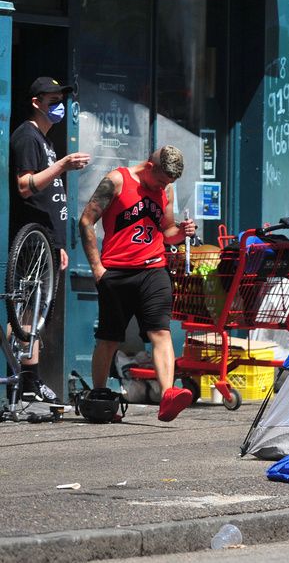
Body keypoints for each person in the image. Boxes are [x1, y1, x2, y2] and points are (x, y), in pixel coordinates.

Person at [78, 146, 196, 422]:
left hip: (153, 269)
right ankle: (101, 397)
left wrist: (182, 231)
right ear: (150, 166)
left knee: (161, 332)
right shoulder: (117, 180)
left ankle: (168, 395)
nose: (165, 187)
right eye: (162, 181)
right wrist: (98, 269)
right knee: (109, 338)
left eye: (170, 184)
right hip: (116, 271)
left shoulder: (165, 189)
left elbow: (167, 233)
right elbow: (86, 221)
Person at [9, 76, 91, 402]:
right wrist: (62, 165)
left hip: (45, 240)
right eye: (53, 99)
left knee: (36, 307)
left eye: (61, 99)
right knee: (25, 308)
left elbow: (51, 201)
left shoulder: (46, 140)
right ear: (36, 102)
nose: (59, 105)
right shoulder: (27, 137)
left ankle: (30, 378)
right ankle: (23, 379)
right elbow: (26, 186)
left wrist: (57, 245)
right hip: (29, 239)